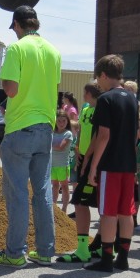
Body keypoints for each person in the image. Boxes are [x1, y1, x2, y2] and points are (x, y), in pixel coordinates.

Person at [0, 5, 61, 267]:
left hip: (20, 127)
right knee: (42, 192)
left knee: (17, 193)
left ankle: (15, 253)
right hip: (45, 128)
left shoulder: (17, 48)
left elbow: (11, 90)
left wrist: (6, 83)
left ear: (17, 25)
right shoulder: (53, 51)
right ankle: (44, 252)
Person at [85, 54, 140, 273]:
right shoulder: (132, 98)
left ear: (105, 75)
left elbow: (103, 136)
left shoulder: (105, 100)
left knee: (108, 212)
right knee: (126, 212)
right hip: (128, 163)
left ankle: (107, 260)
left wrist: (93, 166)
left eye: (98, 78)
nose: (97, 82)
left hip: (110, 163)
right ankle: (123, 258)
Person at [56, 82, 102, 262]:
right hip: (83, 157)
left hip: (94, 159)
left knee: (88, 203)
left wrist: (89, 158)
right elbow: (82, 131)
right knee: (81, 202)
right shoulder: (85, 110)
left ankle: (91, 247)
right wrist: (78, 150)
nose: (82, 95)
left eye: (84, 92)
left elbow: (99, 135)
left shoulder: (101, 110)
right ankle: (91, 245)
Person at [51, 110, 74, 213]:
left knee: (64, 186)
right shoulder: (53, 132)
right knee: (55, 185)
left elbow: (60, 147)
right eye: (59, 121)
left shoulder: (68, 133)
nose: (61, 123)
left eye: (63, 121)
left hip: (62, 165)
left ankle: (64, 208)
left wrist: (47, 145)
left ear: (67, 121)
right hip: (52, 164)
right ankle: (54, 206)